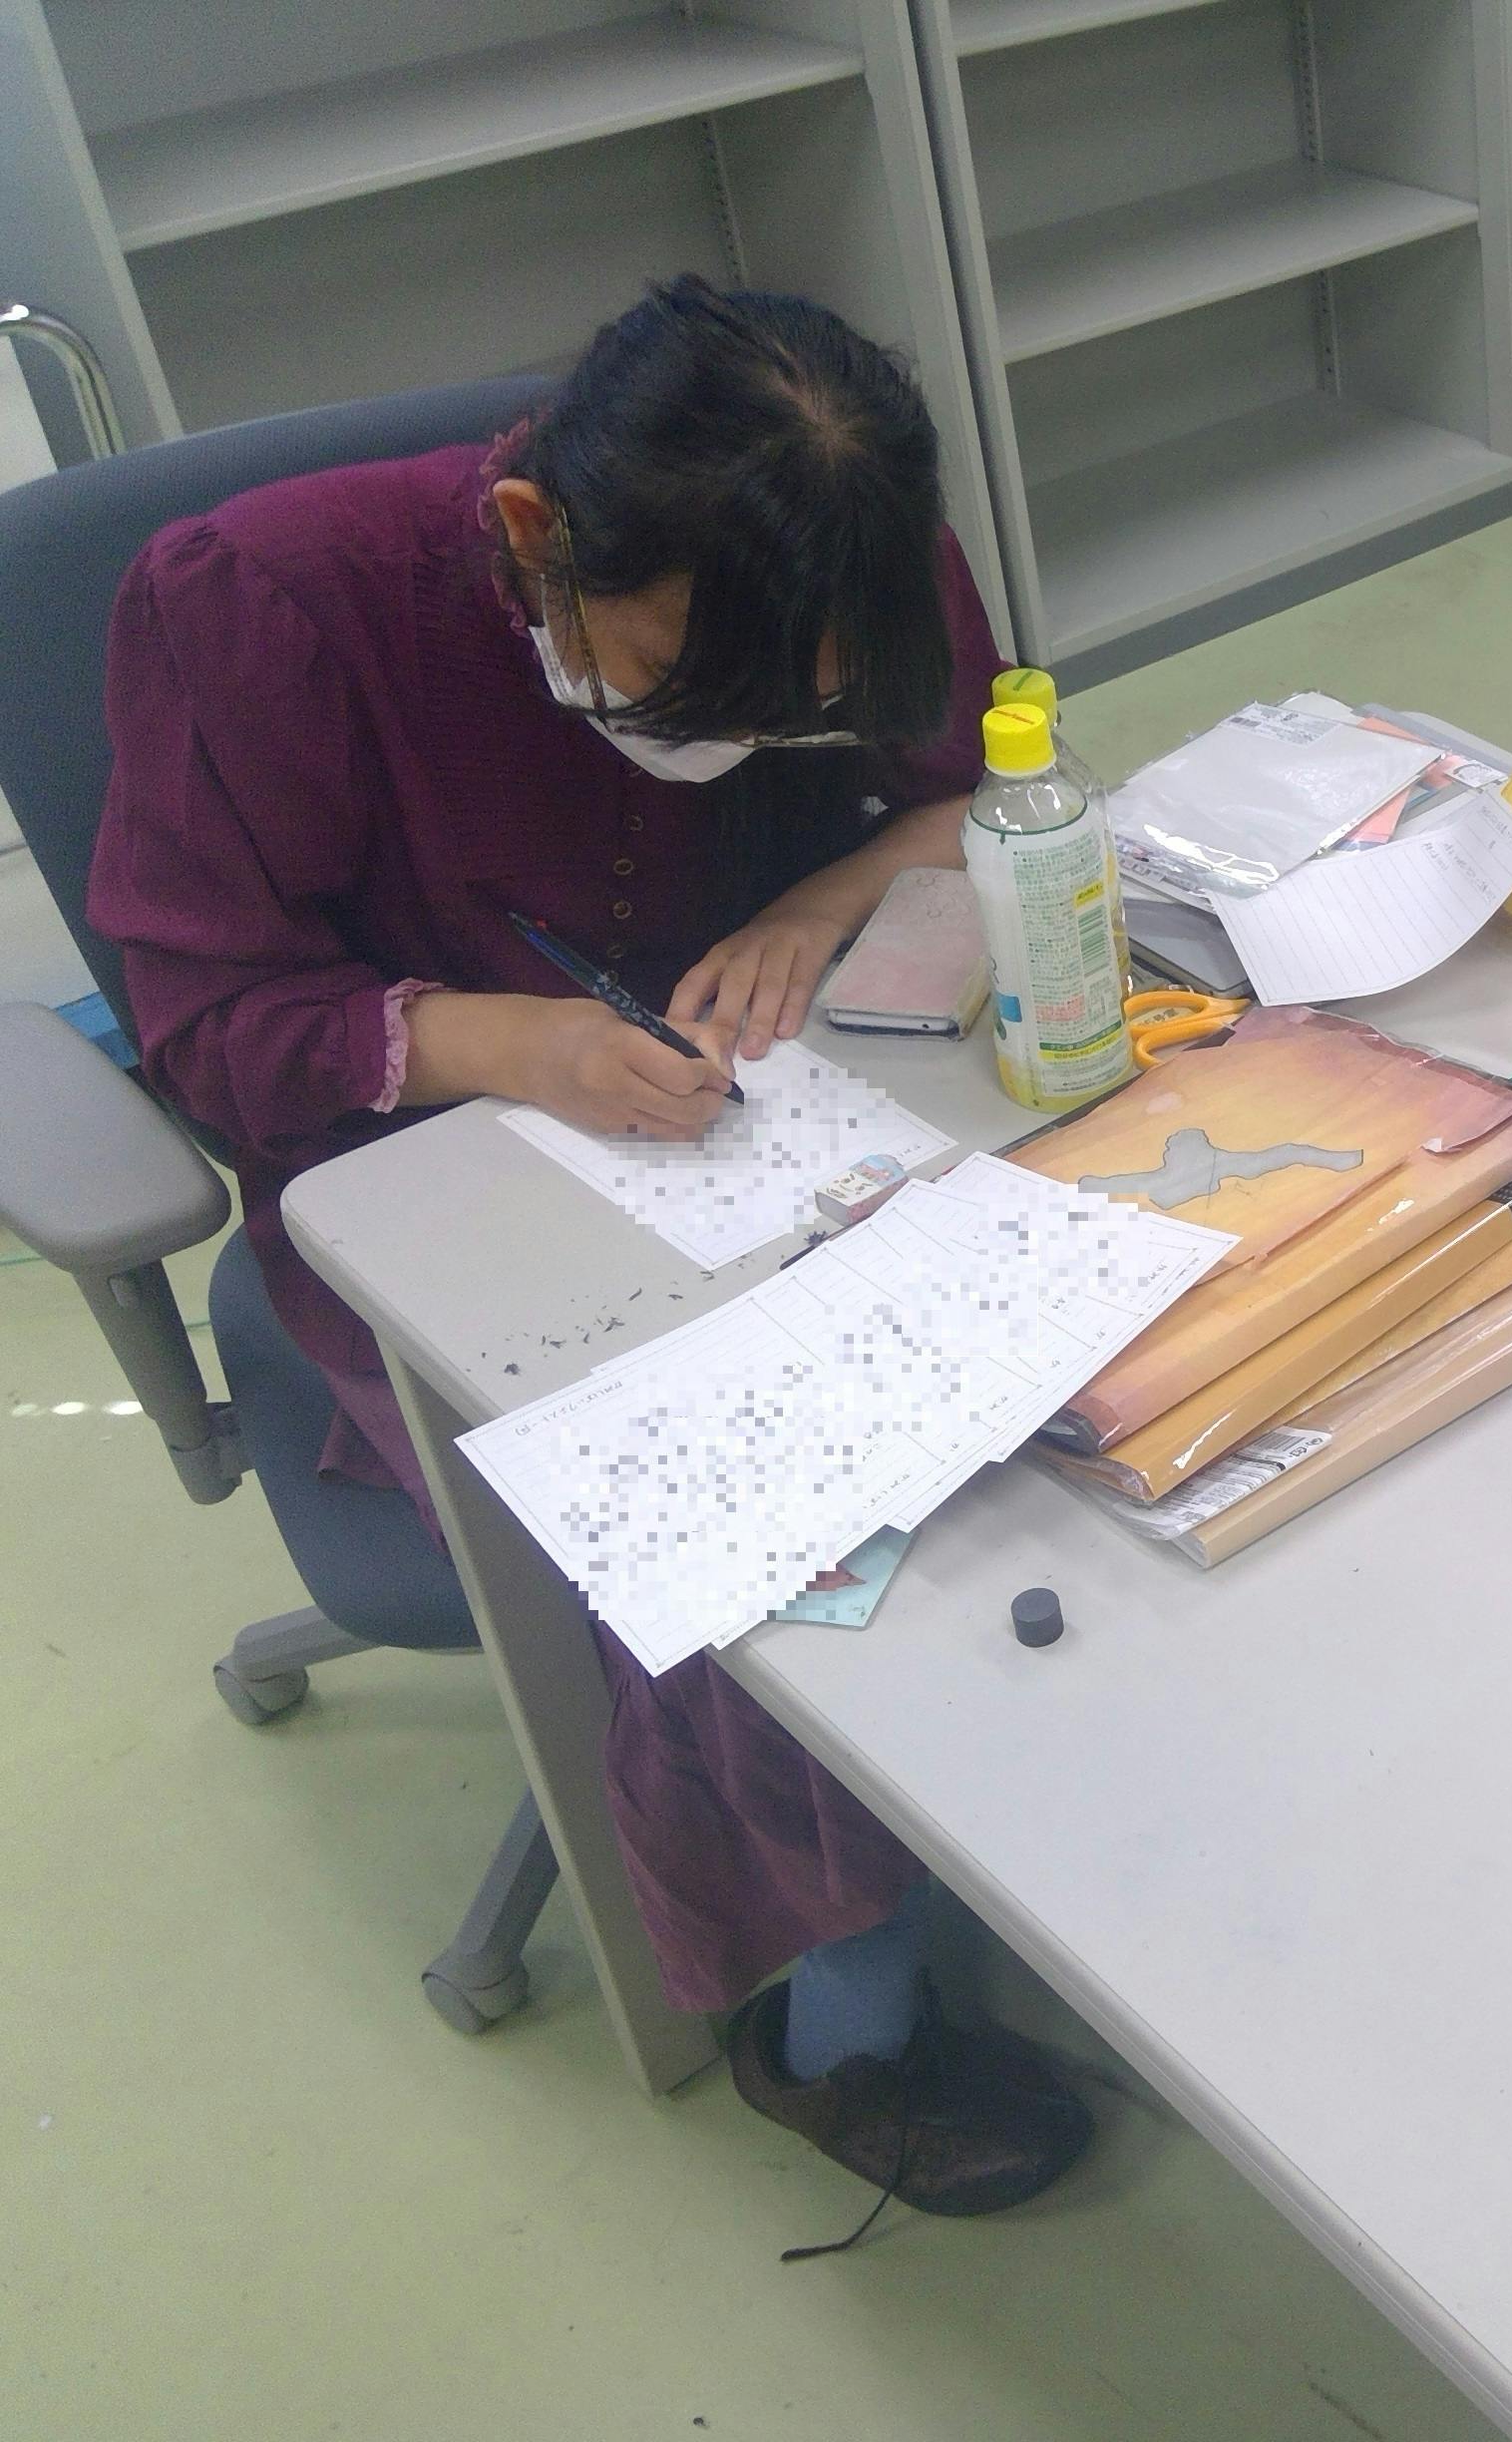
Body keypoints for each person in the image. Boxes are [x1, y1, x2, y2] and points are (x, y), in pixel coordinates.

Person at [89, 276, 1089, 2232]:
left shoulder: (851, 538)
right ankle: (843, 2024)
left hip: (784, 1107)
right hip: (422, 1177)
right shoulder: (267, 612)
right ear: (534, 536)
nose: (747, 744)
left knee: (1065, 1377)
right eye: (690, 692)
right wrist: (505, 1041)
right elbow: (208, 1023)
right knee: (754, 1549)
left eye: (795, 709)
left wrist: (818, 893)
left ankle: (1025, 1807)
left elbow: (973, 783)